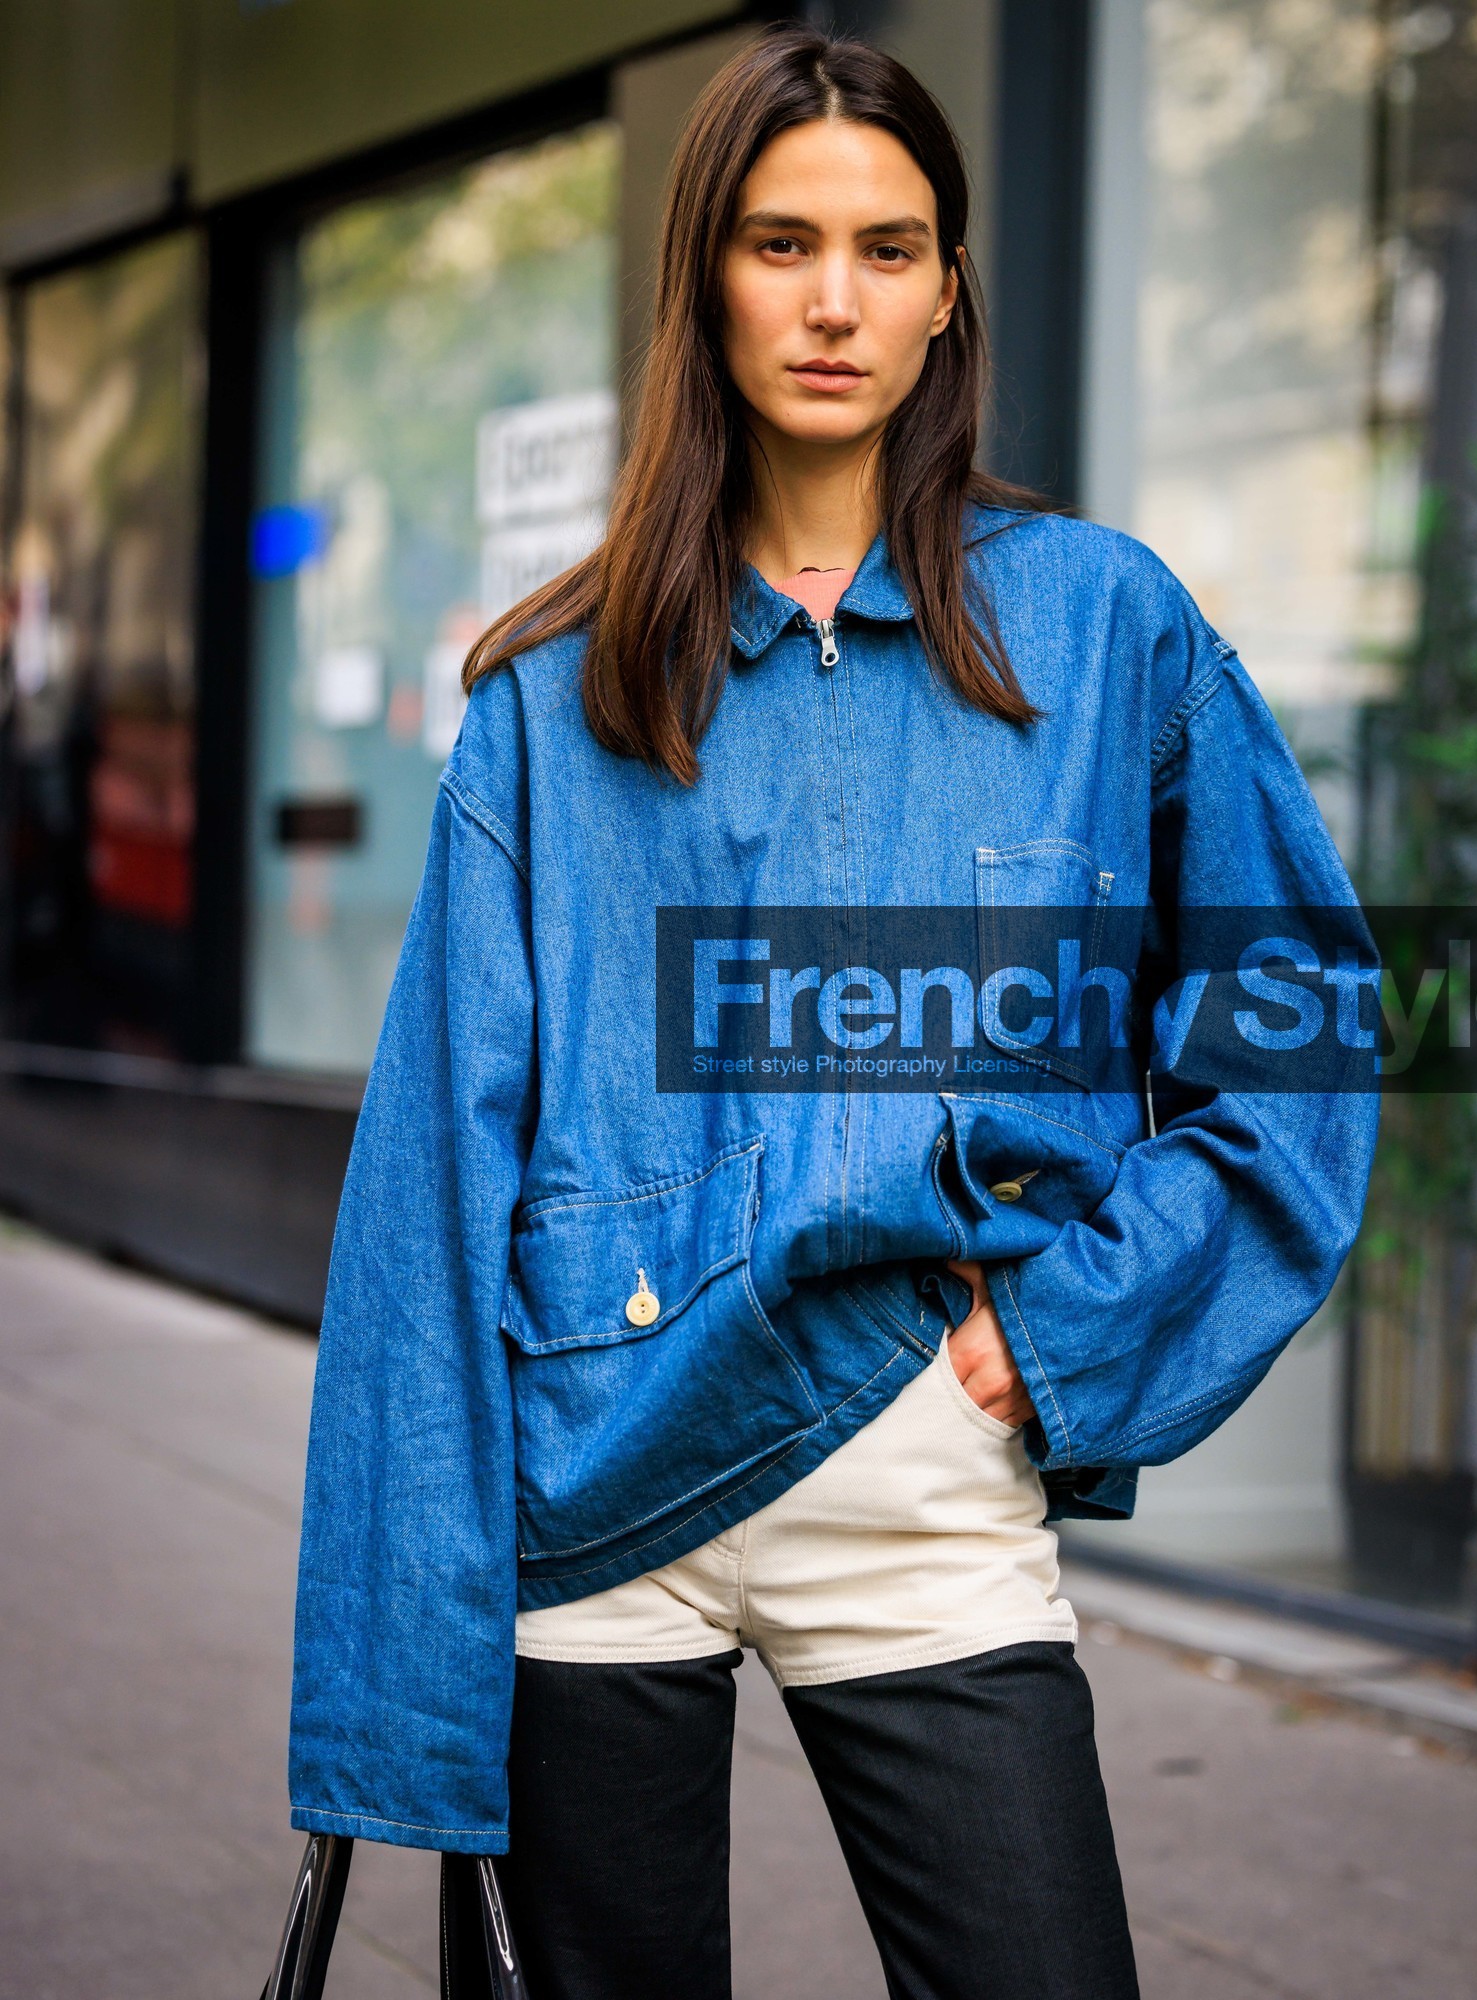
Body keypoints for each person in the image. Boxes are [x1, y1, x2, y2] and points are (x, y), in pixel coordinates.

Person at [285, 24, 1377, 1999]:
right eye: (782, 242)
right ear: (704, 270)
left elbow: (1292, 1019)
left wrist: (1048, 1342)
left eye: (887, 248)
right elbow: (429, 1190)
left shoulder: (1096, 621)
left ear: (948, 285)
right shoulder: (544, 701)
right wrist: (398, 1694)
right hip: (592, 1484)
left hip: (920, 1452)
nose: (832, 298)